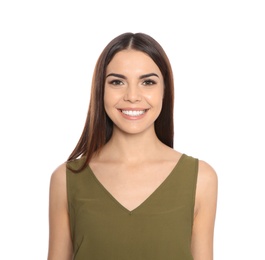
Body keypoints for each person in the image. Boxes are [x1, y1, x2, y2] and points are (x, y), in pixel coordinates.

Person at [47, 32, 218, 260]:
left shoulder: (201, 178)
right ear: (101, 90)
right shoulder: (67, 179)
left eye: (147, 82)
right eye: (117, 82)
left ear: (165, 90)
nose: (133, 96)